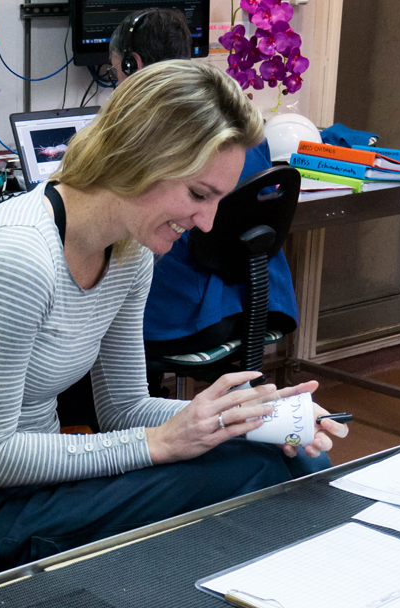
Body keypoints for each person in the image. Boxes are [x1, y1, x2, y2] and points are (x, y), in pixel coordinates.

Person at [0, 61, 346, 583]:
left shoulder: (129, 254)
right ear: (141, 158)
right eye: (199, 194)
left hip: (31, 490)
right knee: (258, 470)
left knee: (286, 454)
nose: (208, 222)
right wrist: (163, 443)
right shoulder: (18, 257)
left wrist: (251, 418)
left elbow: (122, 408)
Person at [109, 8, 299, 359]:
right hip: (255, 299)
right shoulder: (237, 119)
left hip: (187, 315)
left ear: (132, 65)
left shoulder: (146, 133)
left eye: (115, 71)